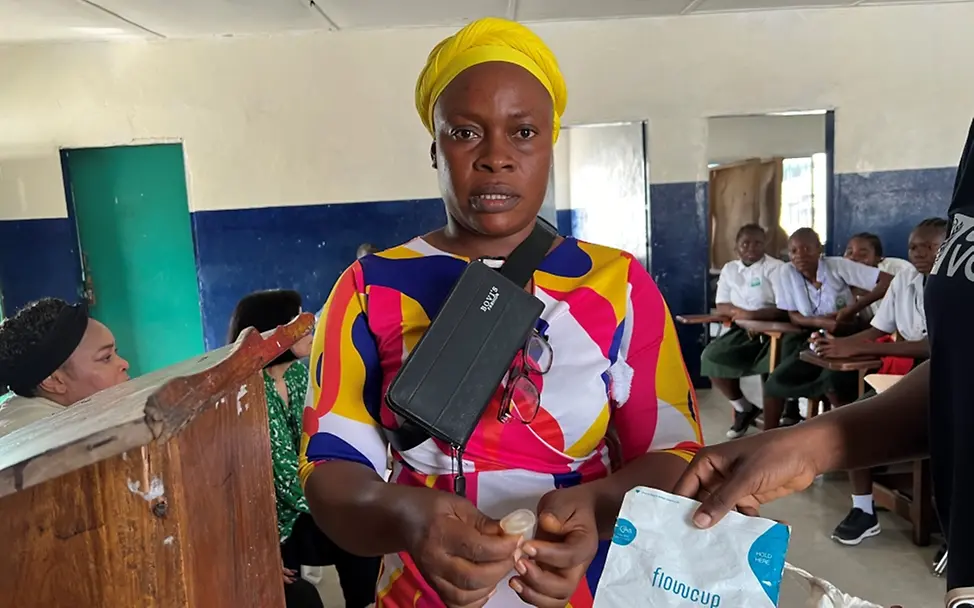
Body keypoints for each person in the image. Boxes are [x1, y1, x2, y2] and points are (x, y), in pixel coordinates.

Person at [298, 17, 702, 608]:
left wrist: (596, 506)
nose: (496, 158)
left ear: (549, 146)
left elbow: (675, 453)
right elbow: (331, 467)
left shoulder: (618, 285)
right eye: (465, 132)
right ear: (435, 150)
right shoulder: (368, 288)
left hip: (585, 588)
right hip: (418, 593)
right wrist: (409, 514)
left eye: (524, 132)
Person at [675, 119, 974, 608]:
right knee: (778, 370)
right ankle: (769, 424)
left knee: (827, 378)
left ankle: (861, 502)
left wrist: (846, 324)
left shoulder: (844, 270)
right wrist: (805, 447)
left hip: (816, 338)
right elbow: (961, 371)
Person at [227, 290, 380, 608]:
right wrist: (342, 499)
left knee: (364, 535)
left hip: (303, 507)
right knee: (352, 529)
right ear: (272, 331)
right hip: (271, 526)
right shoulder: (249, 392)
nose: (311, 328)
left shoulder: (297, 374)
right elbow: (284, 479)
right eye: (298, 321)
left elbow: (316, 441)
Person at [813, 218, 948, 545]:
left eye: (929, 246)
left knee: (948, 435)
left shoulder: (959, 283)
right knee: (853, 422)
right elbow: (878, 329)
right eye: (913, 247)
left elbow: (936, 345)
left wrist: (859, 347)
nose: (919, 253)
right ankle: (863, 510)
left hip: (948, 372)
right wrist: (838, 344)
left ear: (949, 249)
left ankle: (951, 528)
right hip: (908, 372)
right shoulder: (904, 279)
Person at [760, 228, 892, 430]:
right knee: (775, 383)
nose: (800, 255)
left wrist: (851, 310)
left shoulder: (837, 266)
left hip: (850, 333)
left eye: (806, 249)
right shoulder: (786, 273)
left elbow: (888, 281)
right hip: (815, 335)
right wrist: (822, 323)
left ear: (819, 249)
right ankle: (767, 438)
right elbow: (793, 315)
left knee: (833, 384)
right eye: (794, 251)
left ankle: (850, 435)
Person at [0, 298, 129, 439]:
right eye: (106, 357)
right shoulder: (52, 438)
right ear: (53, 380)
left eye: (116, 353)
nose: (125, 364)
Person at [701, 224, 784, 439]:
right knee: (711, 358)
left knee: (773, 370)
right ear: (736, 246)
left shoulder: (776, 268)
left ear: (765, 244)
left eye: (757, 243)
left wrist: (749, 314)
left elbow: (784, 308)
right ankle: (744, 408)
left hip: (775, 330)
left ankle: (775, 425)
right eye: (745, 243)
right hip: (741, 329)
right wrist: (741, 314)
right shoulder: (730, 269)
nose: (751, 248)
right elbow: (722, 305)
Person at [844, 232, 913, 320]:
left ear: (878, 258)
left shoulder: (899, 269)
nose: (853, 258)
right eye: (849, 252)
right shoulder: (843, 279)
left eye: (862, 255)